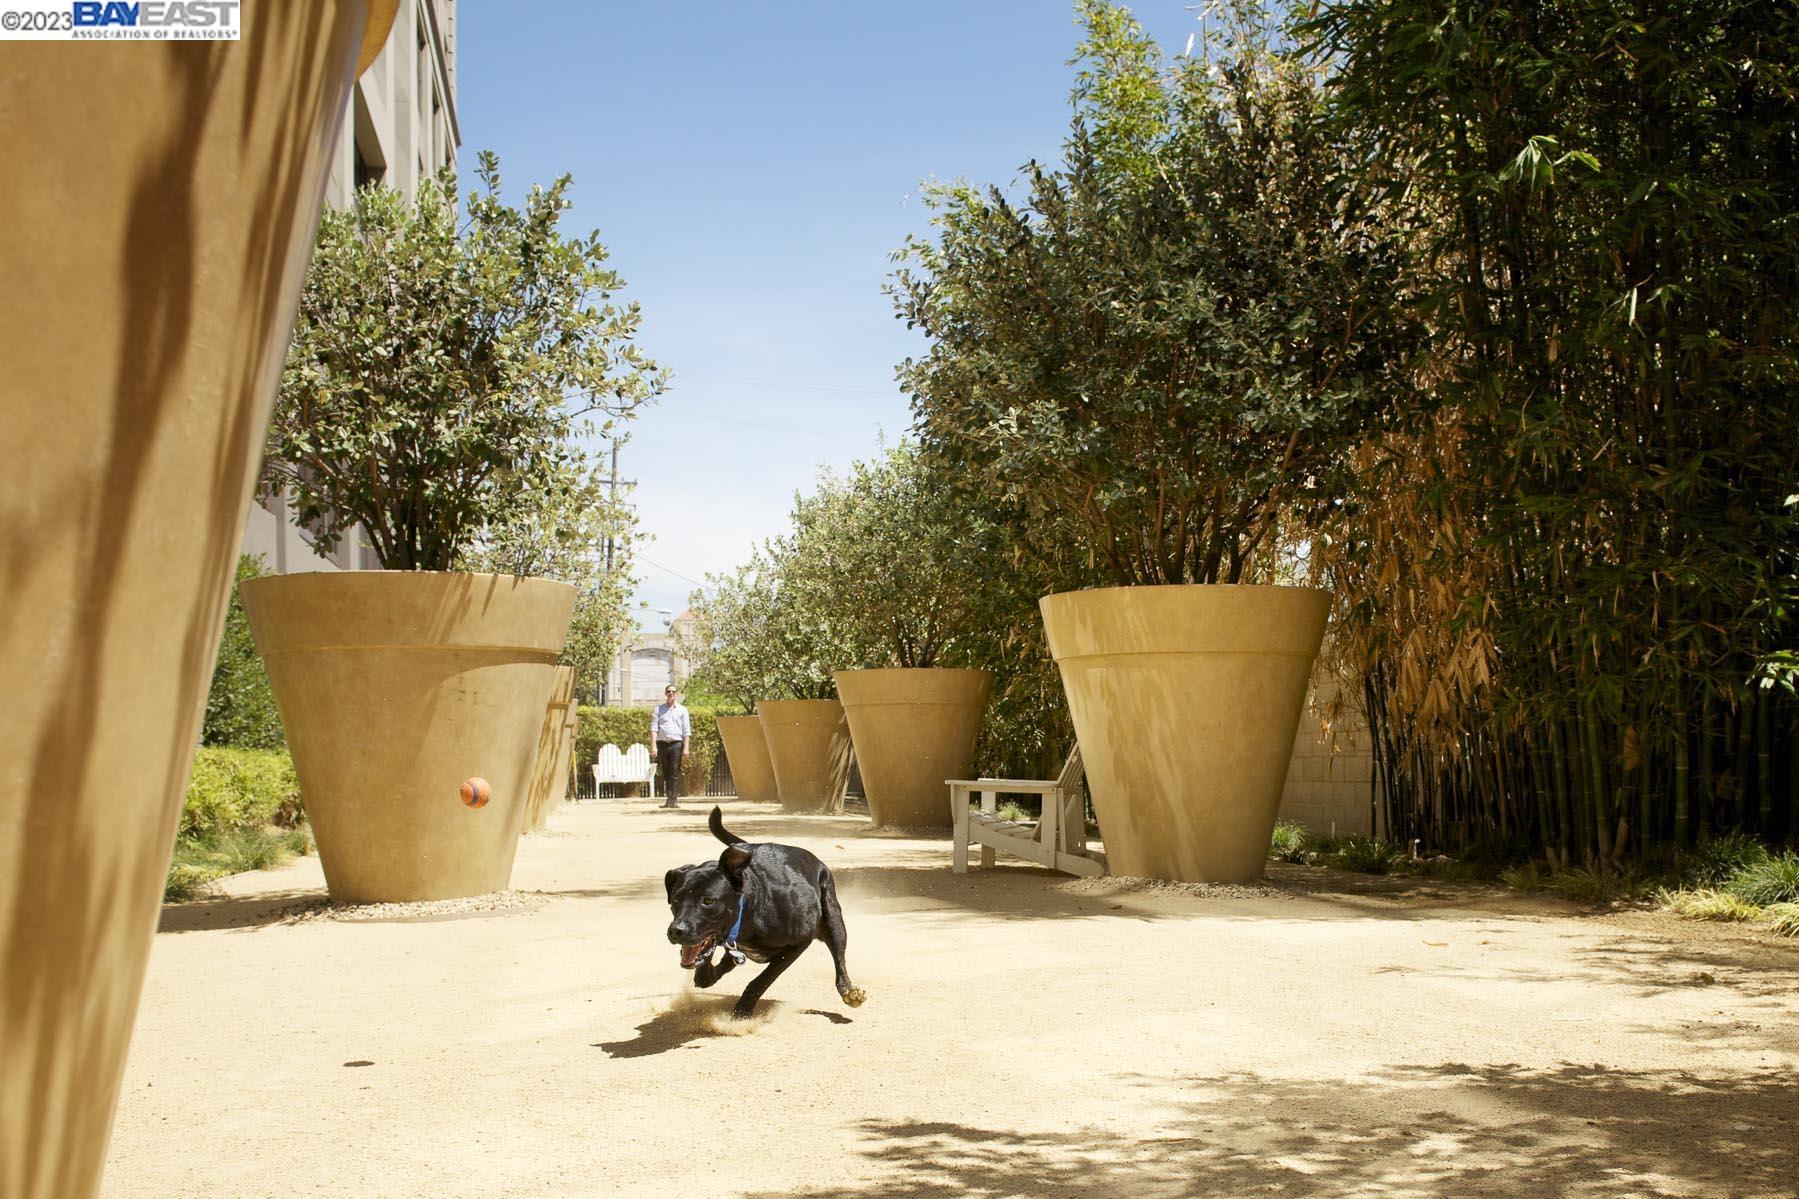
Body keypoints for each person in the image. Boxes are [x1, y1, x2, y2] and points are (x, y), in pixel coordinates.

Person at [652, 684, 692, 809]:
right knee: (665, 772)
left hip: (676, 744)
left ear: (676, 694)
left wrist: (686, 748)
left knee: (674, 771)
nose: (671, 693)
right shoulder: (658, 710)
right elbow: (653, 729)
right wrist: (653, 746)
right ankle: (669, 799)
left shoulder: (682, 710)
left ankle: (673, 799)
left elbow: (686, 731)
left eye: (673, 691)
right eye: (669, 691)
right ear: (665, 694)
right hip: (663, 744)